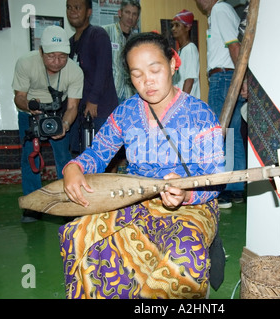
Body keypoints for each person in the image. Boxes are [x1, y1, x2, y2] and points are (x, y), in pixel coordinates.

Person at [58, 32, 225, 299]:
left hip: (191, 204)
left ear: (173, 64)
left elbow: (215, 178)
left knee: (185, 250)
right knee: (79, 234)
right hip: (134, 199)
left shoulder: (200, 114)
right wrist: (73, 167)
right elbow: (98, 153)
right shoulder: (125, 113)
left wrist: (187, 194)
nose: (146, 81)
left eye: (155, 69)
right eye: (137, 74)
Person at [13, 25, 84, 222]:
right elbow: (18, 97)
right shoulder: (25, 63)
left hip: (57, 112)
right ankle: (32, 206)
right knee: (30, 157)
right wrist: (29, 106)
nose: (57, 62)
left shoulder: (75, 71)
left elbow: (72, 107)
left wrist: (65, 126)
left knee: (64, 157)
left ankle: (69, 202)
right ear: (41, 51)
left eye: (62, 57)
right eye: (51, 56)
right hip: (29, 111)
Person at [195, 0, 246, 209]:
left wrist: (242, 79)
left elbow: (235, 46)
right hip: (228, 76)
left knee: (219, 134)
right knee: (232, 135)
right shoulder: (223, 11)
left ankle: (223, 190)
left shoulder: (219, 9)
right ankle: (235, 189)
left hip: (224, 78)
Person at [66, 0, 119, 155]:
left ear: (89, 12)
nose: (72, 11)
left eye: (77, 7)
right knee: (80, 155)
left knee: (103, 156)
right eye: (69, 7)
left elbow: (104, 69)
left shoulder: (98, 34)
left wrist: (93, 100)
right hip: (80, 110)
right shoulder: (70, 42)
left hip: (99, 108)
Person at [102, 0, 140, 104]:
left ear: (137, 18)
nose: (130, 17)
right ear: (120, 13)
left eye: (134, 14)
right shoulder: (105, 32)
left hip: (130, 95)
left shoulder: (136, 40)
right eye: (127, 12)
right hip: (109, 93)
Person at [171, 9, 201, 99]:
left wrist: (181, 102)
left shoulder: (190, 48)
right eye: (172, 26)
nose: (173, 29)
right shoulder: (180, 51)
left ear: (187, 27)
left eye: (177, 25)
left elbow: (189, 80)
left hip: (187, 104)